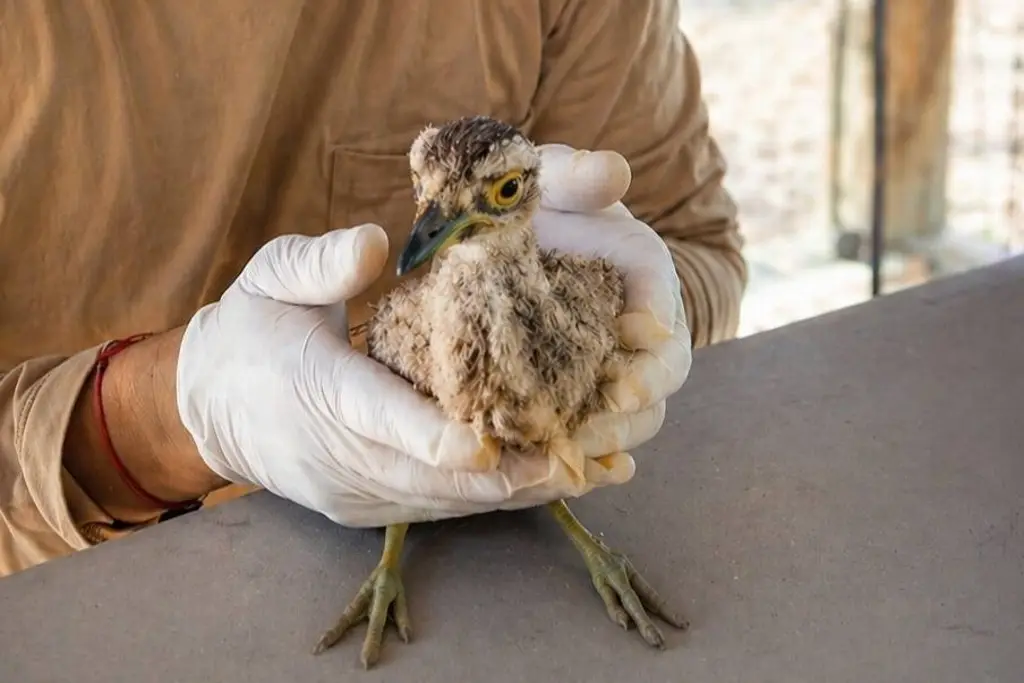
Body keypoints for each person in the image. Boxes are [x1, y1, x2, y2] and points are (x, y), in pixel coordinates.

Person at [0, 1, 746, 577]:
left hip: (486, 579)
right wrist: (160, 420)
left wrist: (614, 314)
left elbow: (695, 246)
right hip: (61, 601)